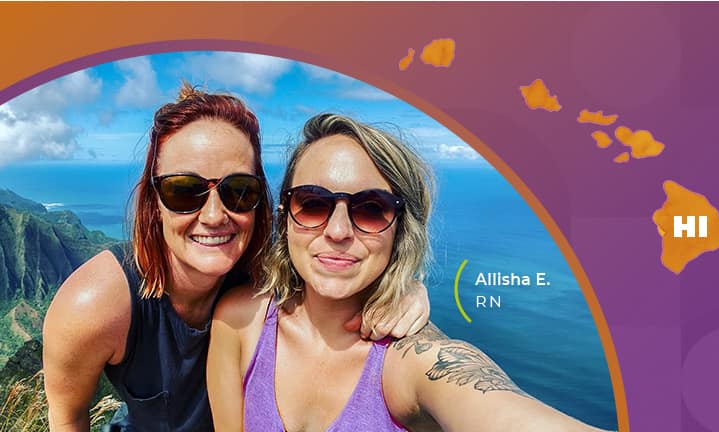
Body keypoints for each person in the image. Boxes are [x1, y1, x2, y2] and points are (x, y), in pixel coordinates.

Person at [42, 86, 430, 432]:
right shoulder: (95, 305)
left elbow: (332, 263)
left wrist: (405, 287)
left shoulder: (264, 274)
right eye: (184, 190)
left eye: (238, 191)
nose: (214, 216)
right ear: (153, 203)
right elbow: (67, 419)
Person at [207, 113, 613, 431]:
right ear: (286, 216)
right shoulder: (241, 322)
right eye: (313, 203)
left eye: (371, 209)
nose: (337, 231)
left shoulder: (409, 360)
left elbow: (494, 405)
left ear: (400, 229)